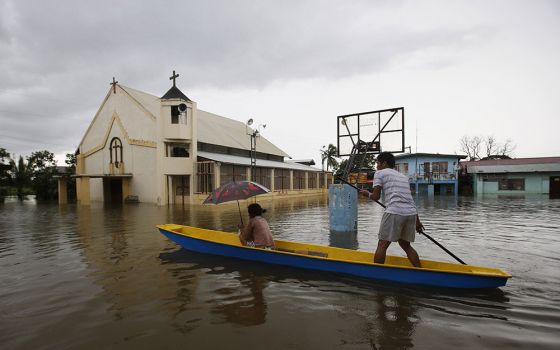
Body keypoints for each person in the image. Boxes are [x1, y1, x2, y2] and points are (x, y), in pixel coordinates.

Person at [359, 152, 424, 268]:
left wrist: (367, 194)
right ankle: (420, 270)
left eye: (377, 163)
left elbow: (376, 197)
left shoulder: (379, 173)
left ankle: (377, 274)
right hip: (411, 214)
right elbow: (410, 200)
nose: (376, 166)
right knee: (406, 245)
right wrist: (417, 222)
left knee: (382, 245)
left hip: (394, 212)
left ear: (384, 163)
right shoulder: (403, 177)